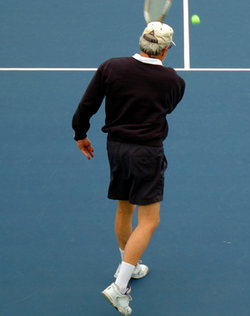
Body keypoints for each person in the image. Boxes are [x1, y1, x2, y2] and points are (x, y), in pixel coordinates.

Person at [72, 22, 185, 316]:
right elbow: (167, 107)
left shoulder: (111, 67)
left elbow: (87, 105)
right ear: (163, 50)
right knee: (150, 220)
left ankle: (129, 265)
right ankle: (120, 287)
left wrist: (80, 134)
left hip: (116, 149)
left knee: (125, 209)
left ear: (142, 43)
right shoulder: (173, 80)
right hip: (146, 154)